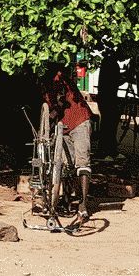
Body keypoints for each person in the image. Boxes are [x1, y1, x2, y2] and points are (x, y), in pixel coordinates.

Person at [43, 65, 93, 229]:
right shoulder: (42, 84)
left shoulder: (58, 77)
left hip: (79, 121)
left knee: (82, 162)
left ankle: (83, 205)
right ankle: (66, 200)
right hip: (63, 126)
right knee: (65, 165)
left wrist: (53, 114)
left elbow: (61, 101)